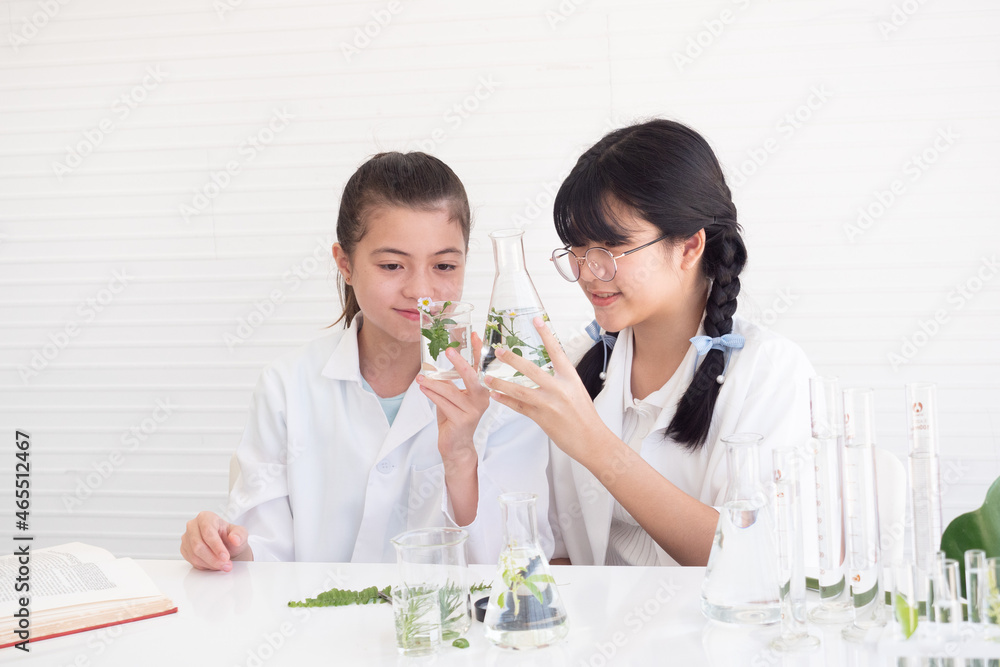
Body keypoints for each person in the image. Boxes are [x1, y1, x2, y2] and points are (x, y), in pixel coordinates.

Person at [180, 151, 552, 570]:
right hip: (318, 629)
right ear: (346, 264)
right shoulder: (287, 386)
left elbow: (521, 566)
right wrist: (223, 546)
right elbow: (263, 559)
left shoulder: (505, 388)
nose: (421, 290)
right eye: (393, 265)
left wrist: (461, 458)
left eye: (444, 265)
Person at [484, 120, 816, 567]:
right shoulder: (576, 363)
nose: (587, 272)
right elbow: (551, 552)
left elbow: (757, 558)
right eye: (577, 249)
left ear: (688, 247)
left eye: (611, 248)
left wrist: (597, 446)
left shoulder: (770, 372)